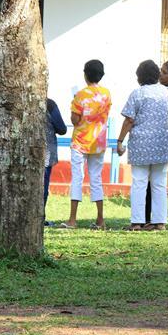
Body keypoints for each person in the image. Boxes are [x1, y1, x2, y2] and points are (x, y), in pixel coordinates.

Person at [116, 60, 168, 231]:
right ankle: (160, 222)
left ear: (140, 77)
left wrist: (120, 140)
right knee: (159, 183)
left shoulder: (137, 94)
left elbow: (129, 119)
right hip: (163, 143)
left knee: (139, 182)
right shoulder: (167, 92)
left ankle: (137, 222)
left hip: (141, 144)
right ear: (157, 75)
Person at [66, 60, 111, 230]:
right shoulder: (107, 94)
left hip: (80, 141)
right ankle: (100, 219)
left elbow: (75, 120)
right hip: (98, 142)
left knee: (77, 177)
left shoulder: (80, 95)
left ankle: (72, 219)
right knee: (96, 178)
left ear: (85, 74)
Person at [144, 60, 168, 226]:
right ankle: (151, 218)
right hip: (160, 141)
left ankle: (155, 219)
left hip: (166, 142)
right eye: (161, 71)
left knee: (157, 183)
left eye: (164, 72)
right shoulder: (164, 90)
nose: (161, 74)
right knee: (153, 183)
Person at [43, 97, 68, 224]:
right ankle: (40, 217)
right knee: (43, 185)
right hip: (46, 151)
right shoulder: (49, 104)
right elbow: (62, 129)